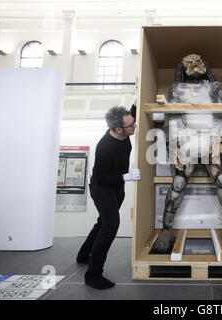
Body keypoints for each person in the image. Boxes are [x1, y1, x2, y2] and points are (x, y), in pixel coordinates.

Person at [76, 105, 140, 290]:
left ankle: (83, 255)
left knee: (103, 222)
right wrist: (125, 177)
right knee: (110, 225)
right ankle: (93, 275)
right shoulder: (105, 147)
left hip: (116, 189)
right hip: (102, 188)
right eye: (131, 125)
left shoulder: (124, 128)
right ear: (118, 129)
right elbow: (100, 177)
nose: (135, 126)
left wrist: (136, 101)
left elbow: (131, 113)